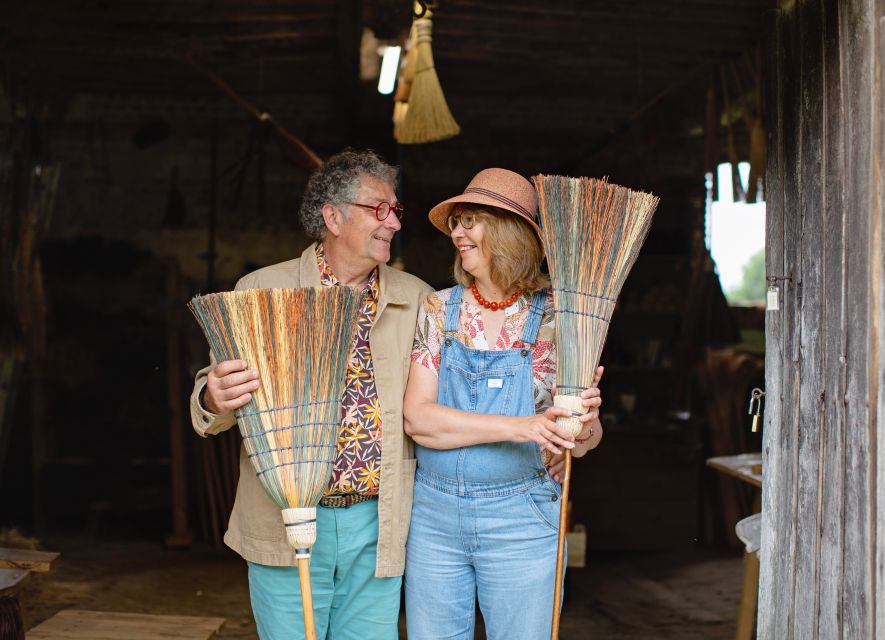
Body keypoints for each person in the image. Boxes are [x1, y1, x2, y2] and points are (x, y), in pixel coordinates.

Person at [188, 149, 432, 640]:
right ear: (333, 217)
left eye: (396, 210)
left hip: (378, 520)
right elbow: (213, 393)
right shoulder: (263, 290)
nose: (392, 222)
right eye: (377, 209)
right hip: (290, 517)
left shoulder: (418, 299)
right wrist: (213, 397)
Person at [402, 168, 604, 640]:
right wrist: (523, 428)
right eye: (456, 222)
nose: (456, 232)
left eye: (470, 220)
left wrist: (585, 425)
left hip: (521, 514)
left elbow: (586, 441)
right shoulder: (438, 308)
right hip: (434, 514)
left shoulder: (560, 317)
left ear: (507, 231)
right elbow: (420, 420)